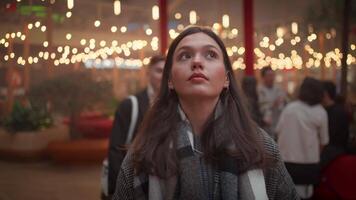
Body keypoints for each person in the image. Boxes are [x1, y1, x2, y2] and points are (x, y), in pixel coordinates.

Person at [112, 26, 298, 200]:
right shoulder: (144, 152)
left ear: (226, 79)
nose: (197, 62)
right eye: (185, 56)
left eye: (210, 54)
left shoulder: (260, 146)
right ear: (170, 80)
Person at [107, 55, 165, 198]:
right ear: (148, 72)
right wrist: (117, 190)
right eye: (159, 71)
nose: (163, 76)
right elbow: (115, 149)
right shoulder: (130, 105)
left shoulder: (175, 106)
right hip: (132, 181)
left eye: (167, 72)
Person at [276, 77, 329, 199]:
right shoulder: (321, 112)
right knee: (307, 195)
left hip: (287, 162)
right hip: (309, 163)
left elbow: (278, 131)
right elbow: (324, 141)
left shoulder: (290, 109)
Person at [321, 81, 350, 167]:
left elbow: (330, 136)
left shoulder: (336, 112)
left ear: (325, 94)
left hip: (334, 152)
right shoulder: (338, 110)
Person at [257, 67, 286, 139]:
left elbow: (282, 105)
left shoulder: (278, 89)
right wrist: (273, 104)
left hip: (278, 123)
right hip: (264, 126)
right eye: (269, 75)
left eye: (272, 75)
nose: (271, 78)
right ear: (263, 77)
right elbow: (261, 107)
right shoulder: (259, 90)